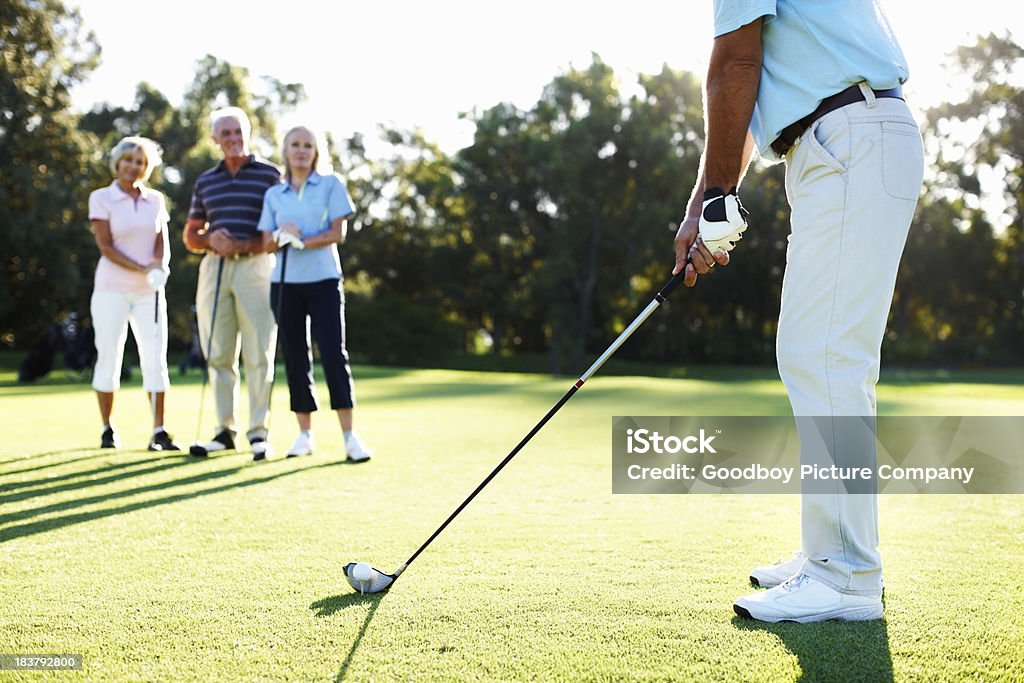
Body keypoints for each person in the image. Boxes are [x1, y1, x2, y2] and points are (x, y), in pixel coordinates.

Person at [674, 1, 924, 622]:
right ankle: (833, 554)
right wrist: (707, 201)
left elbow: (736, 63)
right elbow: (755, 85)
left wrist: (714, 198)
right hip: (840, 139)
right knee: (816, 356)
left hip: (850, 137)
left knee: (828, 358)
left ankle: (844, 575)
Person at [257, 125, 373, 462]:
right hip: (285, 282)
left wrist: (302, 240)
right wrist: (280, 235)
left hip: (324, 280)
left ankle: (350, 437)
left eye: (308, 145)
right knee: (295, 356)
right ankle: (305, 435)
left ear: (316, 151)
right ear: (285, 150)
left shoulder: (330, 184)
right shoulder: (274, 194)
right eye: (295, 144)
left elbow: (338, 232)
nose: (301, 150)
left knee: (334, 355)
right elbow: (264, 242)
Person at [183, 107, 281, 460]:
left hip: (256, 267)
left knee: (259, 353)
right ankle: (224, 431)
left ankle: (259, 433)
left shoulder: (270, 175)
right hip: (215, 268)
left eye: (238, 131)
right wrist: (211, 239)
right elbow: (191, 235)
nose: (233, 139)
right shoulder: (206, 180)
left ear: (248, 133)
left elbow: (279, 233)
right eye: (226, 133)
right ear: (215, 139)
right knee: (219, 353)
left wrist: (244, 244)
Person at [88, 136, 180, 451]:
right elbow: (106, 247)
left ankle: (159, 431)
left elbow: (160, 241)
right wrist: (143, 267)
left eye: (140, 162)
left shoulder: (155, 200)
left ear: (146, 167)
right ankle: (107, 429)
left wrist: (159, 266)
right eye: (128, 160)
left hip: (149, 291)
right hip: (111, 289)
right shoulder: (101, 198)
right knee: (109, 357)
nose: (133, 166)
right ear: (118, 162)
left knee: (155, 358)